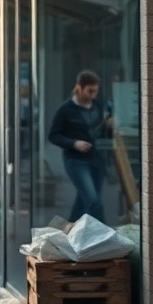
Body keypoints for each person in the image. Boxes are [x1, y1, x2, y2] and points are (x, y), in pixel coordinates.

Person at [48, 69, 112, 223]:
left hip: (97, 159)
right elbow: (53, 135)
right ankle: (103, 238)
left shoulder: (97, 105)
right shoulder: (65, 110)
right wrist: (74, 143)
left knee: (84, 201)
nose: (93, 95)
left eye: (95, 91)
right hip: (76, 161)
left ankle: (71, 232)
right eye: (90, 91)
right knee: (93, 201)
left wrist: (108, 124)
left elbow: (100, 129)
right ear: (79, 88)